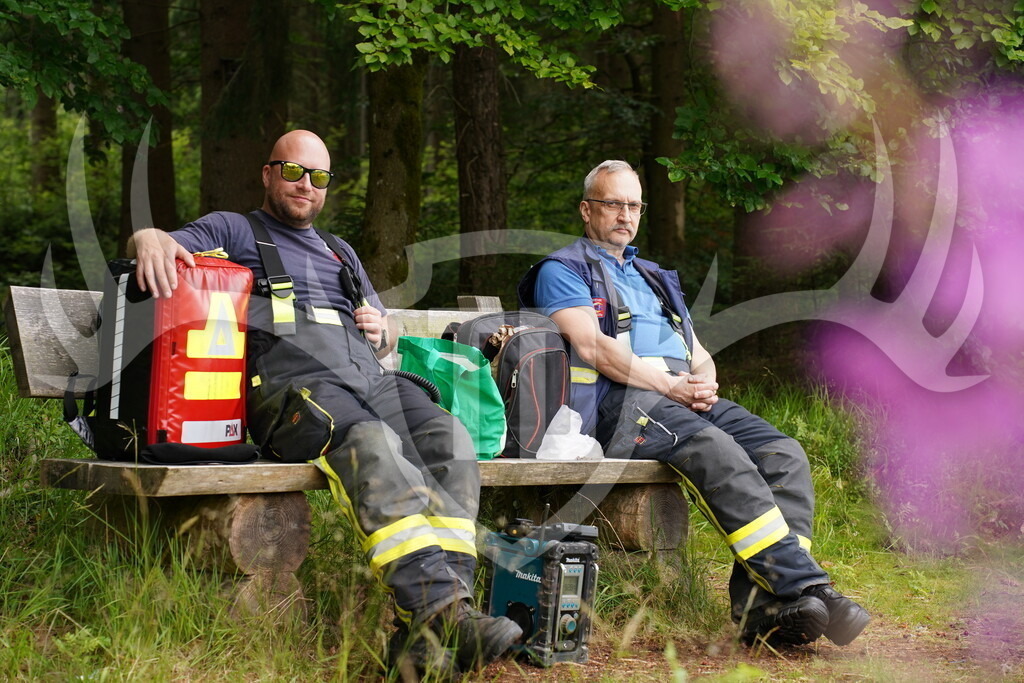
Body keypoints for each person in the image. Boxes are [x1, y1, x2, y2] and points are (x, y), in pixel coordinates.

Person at [129, 130, 521, 679]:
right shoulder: (236, 229)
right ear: (268, 174)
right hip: (296, 391)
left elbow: (385, 334)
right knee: (370, 442)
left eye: (319, 177)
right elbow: (161, 242)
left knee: (449, 440)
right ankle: (447, 615)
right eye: (294, 172)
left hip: (369, 381)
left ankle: (427, 634)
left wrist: (383, 329)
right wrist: (147, 237)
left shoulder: (341, 251)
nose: (306, 185)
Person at [518, 160, 870, 648]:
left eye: (633, 205)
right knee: (715, 449)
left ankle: (766, 608)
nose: (625, 214)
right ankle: (808, 589)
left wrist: (702, 383)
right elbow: (594, 348)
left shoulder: (653, 276)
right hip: (617, 406)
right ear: (586, 209)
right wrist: (669, 386)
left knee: (783, 453)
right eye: (613, 203)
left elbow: (697, 352)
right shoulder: (562, 270)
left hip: (676, 397)